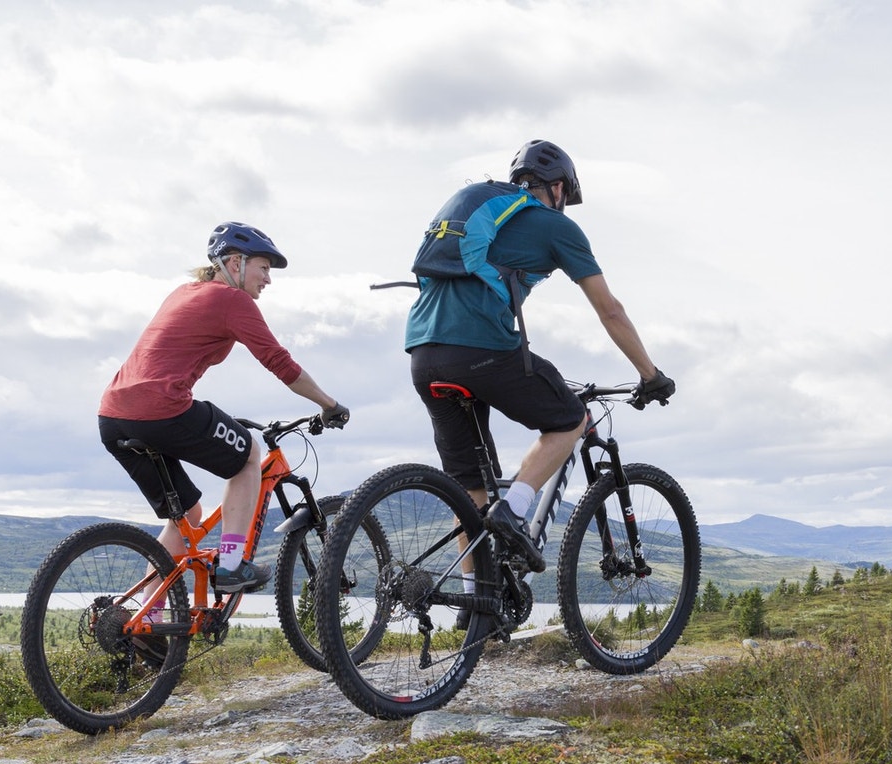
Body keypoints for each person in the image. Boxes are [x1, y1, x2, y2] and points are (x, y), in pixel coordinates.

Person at [405, 139, 675, 573]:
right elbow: (610, 310)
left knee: (470, 486)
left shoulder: (484, 212)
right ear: (559, 189)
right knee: (570, 418)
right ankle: (513, 512)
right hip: (480, 349)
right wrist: (650, 374)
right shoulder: (555, 226)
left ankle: (476, 609)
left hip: (422, 352)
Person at [99, 222, 348, 592]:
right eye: (263, 268)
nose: (268, 279)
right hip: (161, 409)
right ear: (235, 263)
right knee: (248, 454)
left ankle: (144, 618)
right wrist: (329, 404)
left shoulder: (184, 292)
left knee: (186, 517)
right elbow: (280, 363)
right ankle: (231, 564)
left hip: (113, 416)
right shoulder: (232, 300)